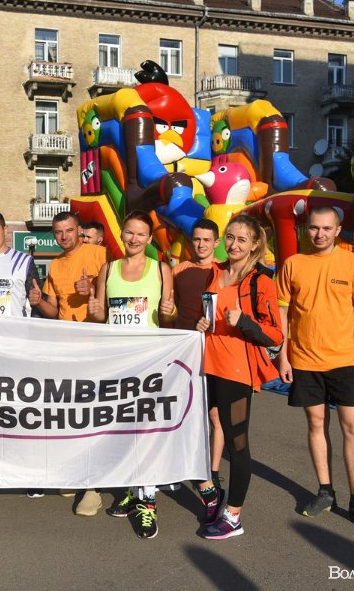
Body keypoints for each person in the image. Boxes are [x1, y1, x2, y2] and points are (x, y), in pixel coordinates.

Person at [276, 206, 354, 534]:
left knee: (353, 427)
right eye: (313, 228)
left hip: (346, 361)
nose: (319, 234)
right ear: (305, 229)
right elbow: (282, 315)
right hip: (304, 361)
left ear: (338, 230)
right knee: (316, 424)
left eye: (326, 228)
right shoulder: (293, 264)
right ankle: (325, 492)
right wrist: (283, 356)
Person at [87, 210, 175, 538]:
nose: (134, 239)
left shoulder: (161, 269)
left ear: (149, 239)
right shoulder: (108, 269)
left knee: (147, 432)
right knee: (121, 430)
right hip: (117, 363)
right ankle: (128, 488)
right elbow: (100, 317)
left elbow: (169, 315)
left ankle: (147, 501)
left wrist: (171, 311)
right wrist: (95, 311)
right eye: (129, 232)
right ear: (121, 234)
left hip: (149, 363)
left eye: (140, 234)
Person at [194, 214, 283, 540]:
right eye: (230, 237)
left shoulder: (261, 281)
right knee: (203, 429)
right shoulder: (216, 272)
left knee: (237, 442)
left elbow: (275, 335)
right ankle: (215, 494)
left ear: (255, 245)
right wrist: (202, 323)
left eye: (242, 240)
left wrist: (244, 320)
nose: (233, 245)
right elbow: (210, 314)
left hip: (236, 372)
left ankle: (233, 516)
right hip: (208, 366)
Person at [28, 211, 106, 507]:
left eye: (69, 230)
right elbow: (54, 310)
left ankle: (93, 486)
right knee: (71, 416)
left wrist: (92, 289)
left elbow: (113, 292)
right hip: (65, 350)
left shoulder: (99, 254)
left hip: (95, 348)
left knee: (93, 416)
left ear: (79, 230)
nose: (64, 236)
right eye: (58, 232)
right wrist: (39, 303)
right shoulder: (55, 265)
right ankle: (76, 474)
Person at [172, 219, 225, 488]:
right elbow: (170, 309)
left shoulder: (224, 271)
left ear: (216, 243)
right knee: (183, 413)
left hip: (215, 351)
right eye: (197, 239)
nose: (201, 245)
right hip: (184, 352)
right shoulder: (179, 270)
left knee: (215, 415)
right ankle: (182, 465)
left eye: (207, 240)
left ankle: (212, 471)